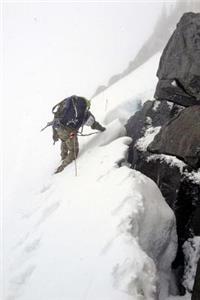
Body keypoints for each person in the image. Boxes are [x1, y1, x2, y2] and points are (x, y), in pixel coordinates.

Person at [52, 95, 105, 174]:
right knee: (74, 151)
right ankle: (62, 167)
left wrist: (54, 134)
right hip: (68, 131)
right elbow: (94, 124)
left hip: (58, 127)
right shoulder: (85, 114)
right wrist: (102, 129)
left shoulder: (68, 106)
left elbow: (56, 117)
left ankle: (63, 157)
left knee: (64, 140)